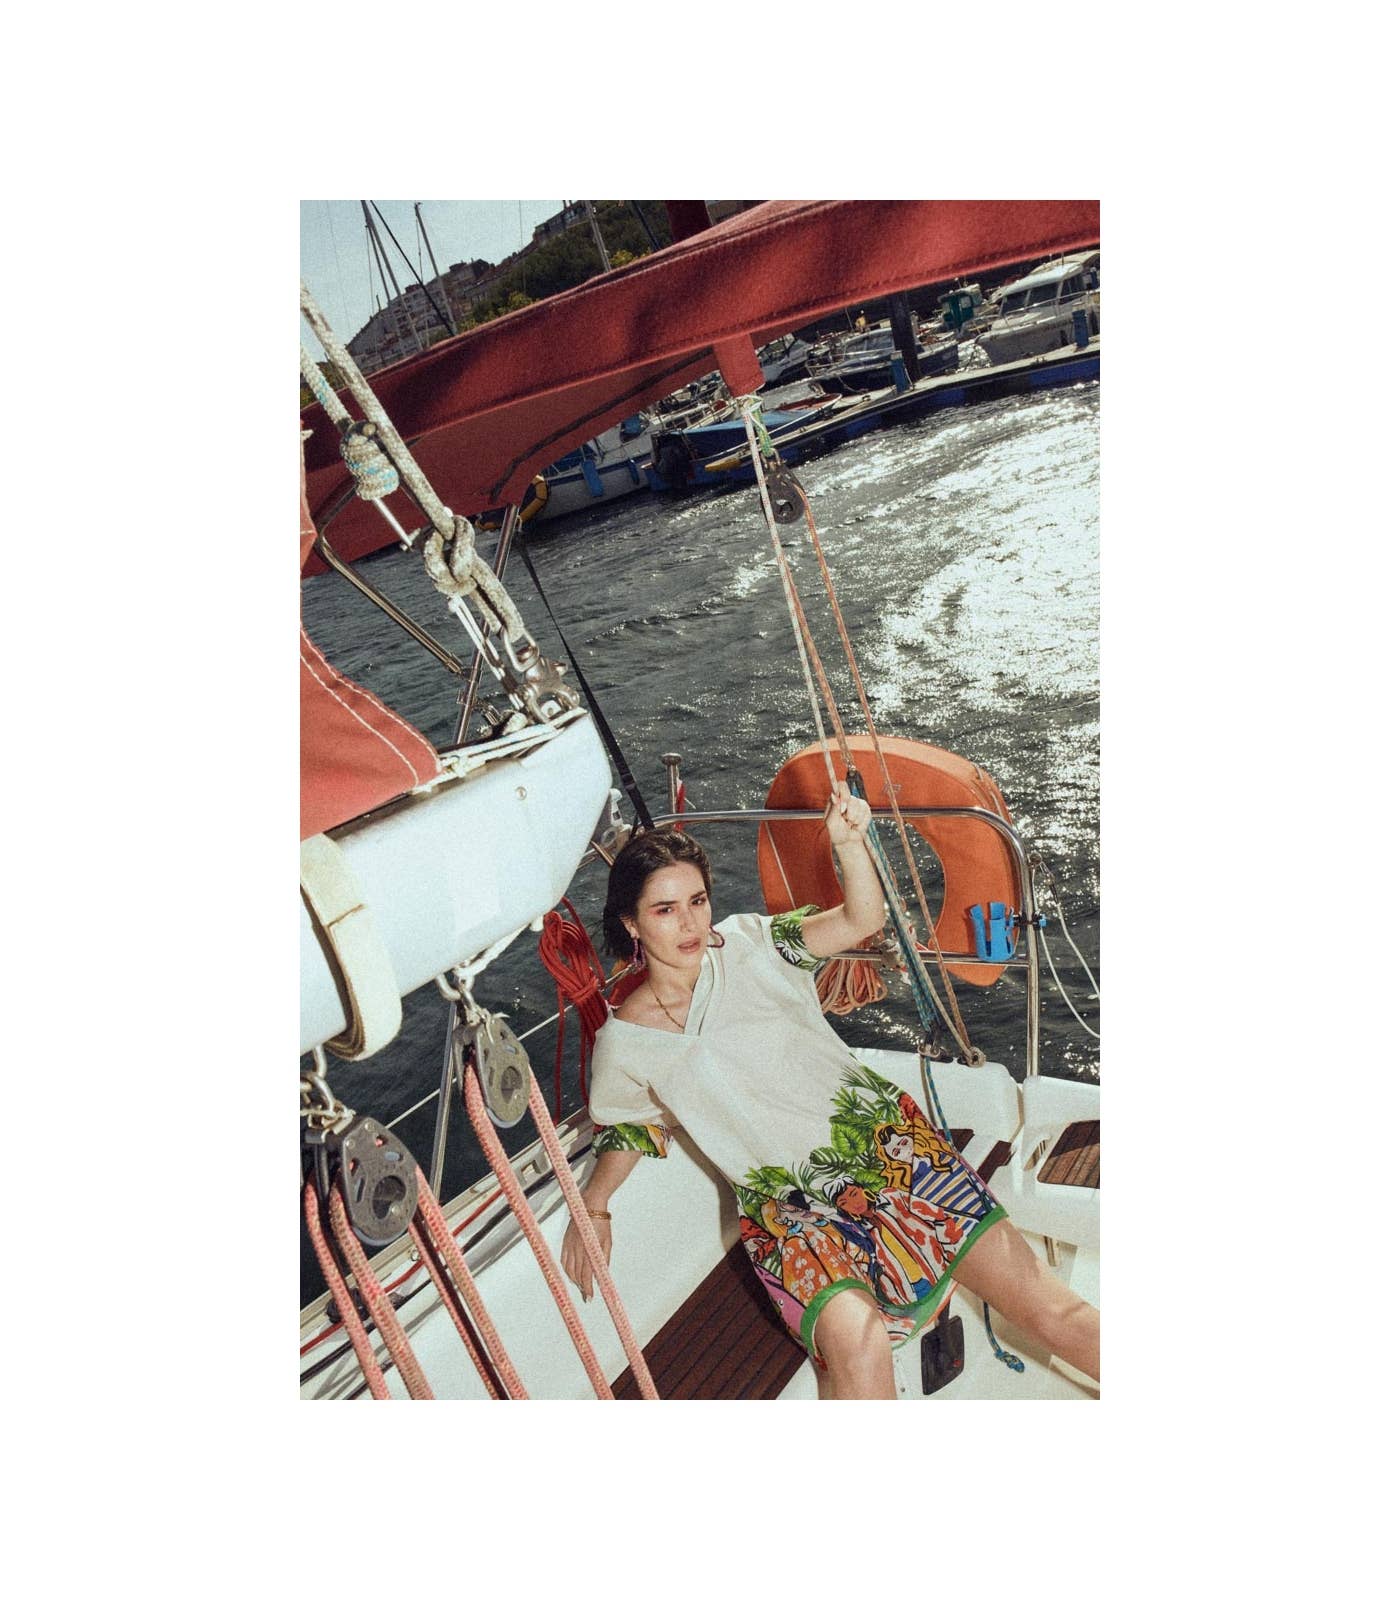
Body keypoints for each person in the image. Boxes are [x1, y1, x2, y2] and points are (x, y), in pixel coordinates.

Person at [561, 784, 1099, 1399]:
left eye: (698, 900)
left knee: (1051, 1312)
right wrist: (594, 1206)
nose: (690, 923)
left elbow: (859, 920)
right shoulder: (626, 1041)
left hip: (894, 1152)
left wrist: (850, 844)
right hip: (791, 1209)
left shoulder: (756, 942)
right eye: (665, 909)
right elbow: (630, 1124)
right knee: (857, 1346)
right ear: (630, 923)